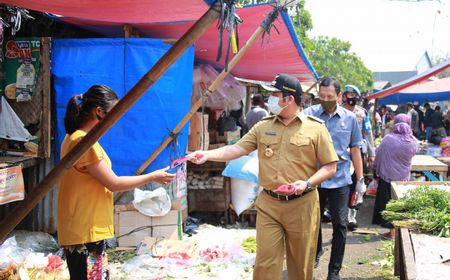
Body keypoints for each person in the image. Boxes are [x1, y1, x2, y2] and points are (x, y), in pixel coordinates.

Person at [189, 74, 338, 280]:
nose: (271, 99)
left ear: (289, 99)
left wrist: (307, 183)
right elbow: (236, 149)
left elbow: (330, 166)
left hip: (302, 205)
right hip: (269, 204)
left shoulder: (315, 128)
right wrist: (206, 155)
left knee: (301, 266)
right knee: (265, 263)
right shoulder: (264, 126)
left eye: (275, 95)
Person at [58, 85, 175, 279]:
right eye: (114, 112)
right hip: (86, 228)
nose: (116, 118)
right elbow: (113, 183)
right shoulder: (82, 142)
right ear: (99, 111)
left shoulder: (77, 138)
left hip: (84, 226)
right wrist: (152, 176)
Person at [304, 77, 363, 280]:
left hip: (340, 179)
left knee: (341, 224)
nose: (326, 100)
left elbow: (356, 150)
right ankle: (315, 253)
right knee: (314, 222)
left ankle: (334, 271)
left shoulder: (350, 118)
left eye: (330, 96)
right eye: (322, 96)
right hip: (315, 179)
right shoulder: (308, 115)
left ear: (339, 96)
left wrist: (361, 180)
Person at [372, 114, 417, 237]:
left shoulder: (388, 139)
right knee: (399, 205)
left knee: (388, 204)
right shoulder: (413, 141)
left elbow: (378, 157)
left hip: (387, 177)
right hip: (403, 179)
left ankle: (392, 233)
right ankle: (399, 233)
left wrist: (375, 170)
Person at [341, 84, 374, 231]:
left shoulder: (362, 113)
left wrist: (372, 153)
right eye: (348, 95)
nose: (350, 98)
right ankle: (334, 211)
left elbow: (368, 133)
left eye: (353, 95)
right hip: (340, 152)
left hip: (357, 153)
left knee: (356, 183)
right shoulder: (337, 110)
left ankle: (351, 216)